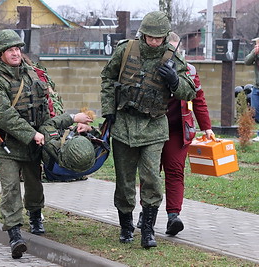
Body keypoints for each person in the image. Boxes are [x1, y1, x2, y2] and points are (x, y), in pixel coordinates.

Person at [0, 29, 91, 259]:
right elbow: (3, 115)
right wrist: (31, 134)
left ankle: (35, 216)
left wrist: (66, 124)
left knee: (34, 184)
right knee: (11, 188)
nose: (15, 53)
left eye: (17, 49)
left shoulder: (32, 75)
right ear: (0, 53)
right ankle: (14, 233)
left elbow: (45, 110)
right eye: (10, 49)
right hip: (8, 145)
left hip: (34, 142)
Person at [100, 11, 196, 249]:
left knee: (151, 177)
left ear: (165, 37)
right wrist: (108, 110)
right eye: (150, 37)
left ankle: (148, 231)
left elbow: (190, 91)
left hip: (154, 125)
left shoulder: (172, 57)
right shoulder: (125, 50)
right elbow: (107, 78)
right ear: (143, 34)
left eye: (159, 38)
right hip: (124, 123)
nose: (154, 42)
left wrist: (175, 80)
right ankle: (125, 226)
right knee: (124, 180)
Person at [158, 32, 214, 236]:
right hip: (151, 128)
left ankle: (173, 216)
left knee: (174, 170)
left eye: (176, 49)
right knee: (151, 173)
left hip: (178, 129)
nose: (172, 54)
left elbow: (198, 98)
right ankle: (148, 213)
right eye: (168, 49)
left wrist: (206, 127)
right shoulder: (151, 68)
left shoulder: (189, 70)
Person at [244, 37, 259, 124]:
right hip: (257, 87)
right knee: (254, 112)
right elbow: (247, 61)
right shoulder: (256, 53)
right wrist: (254, 52)